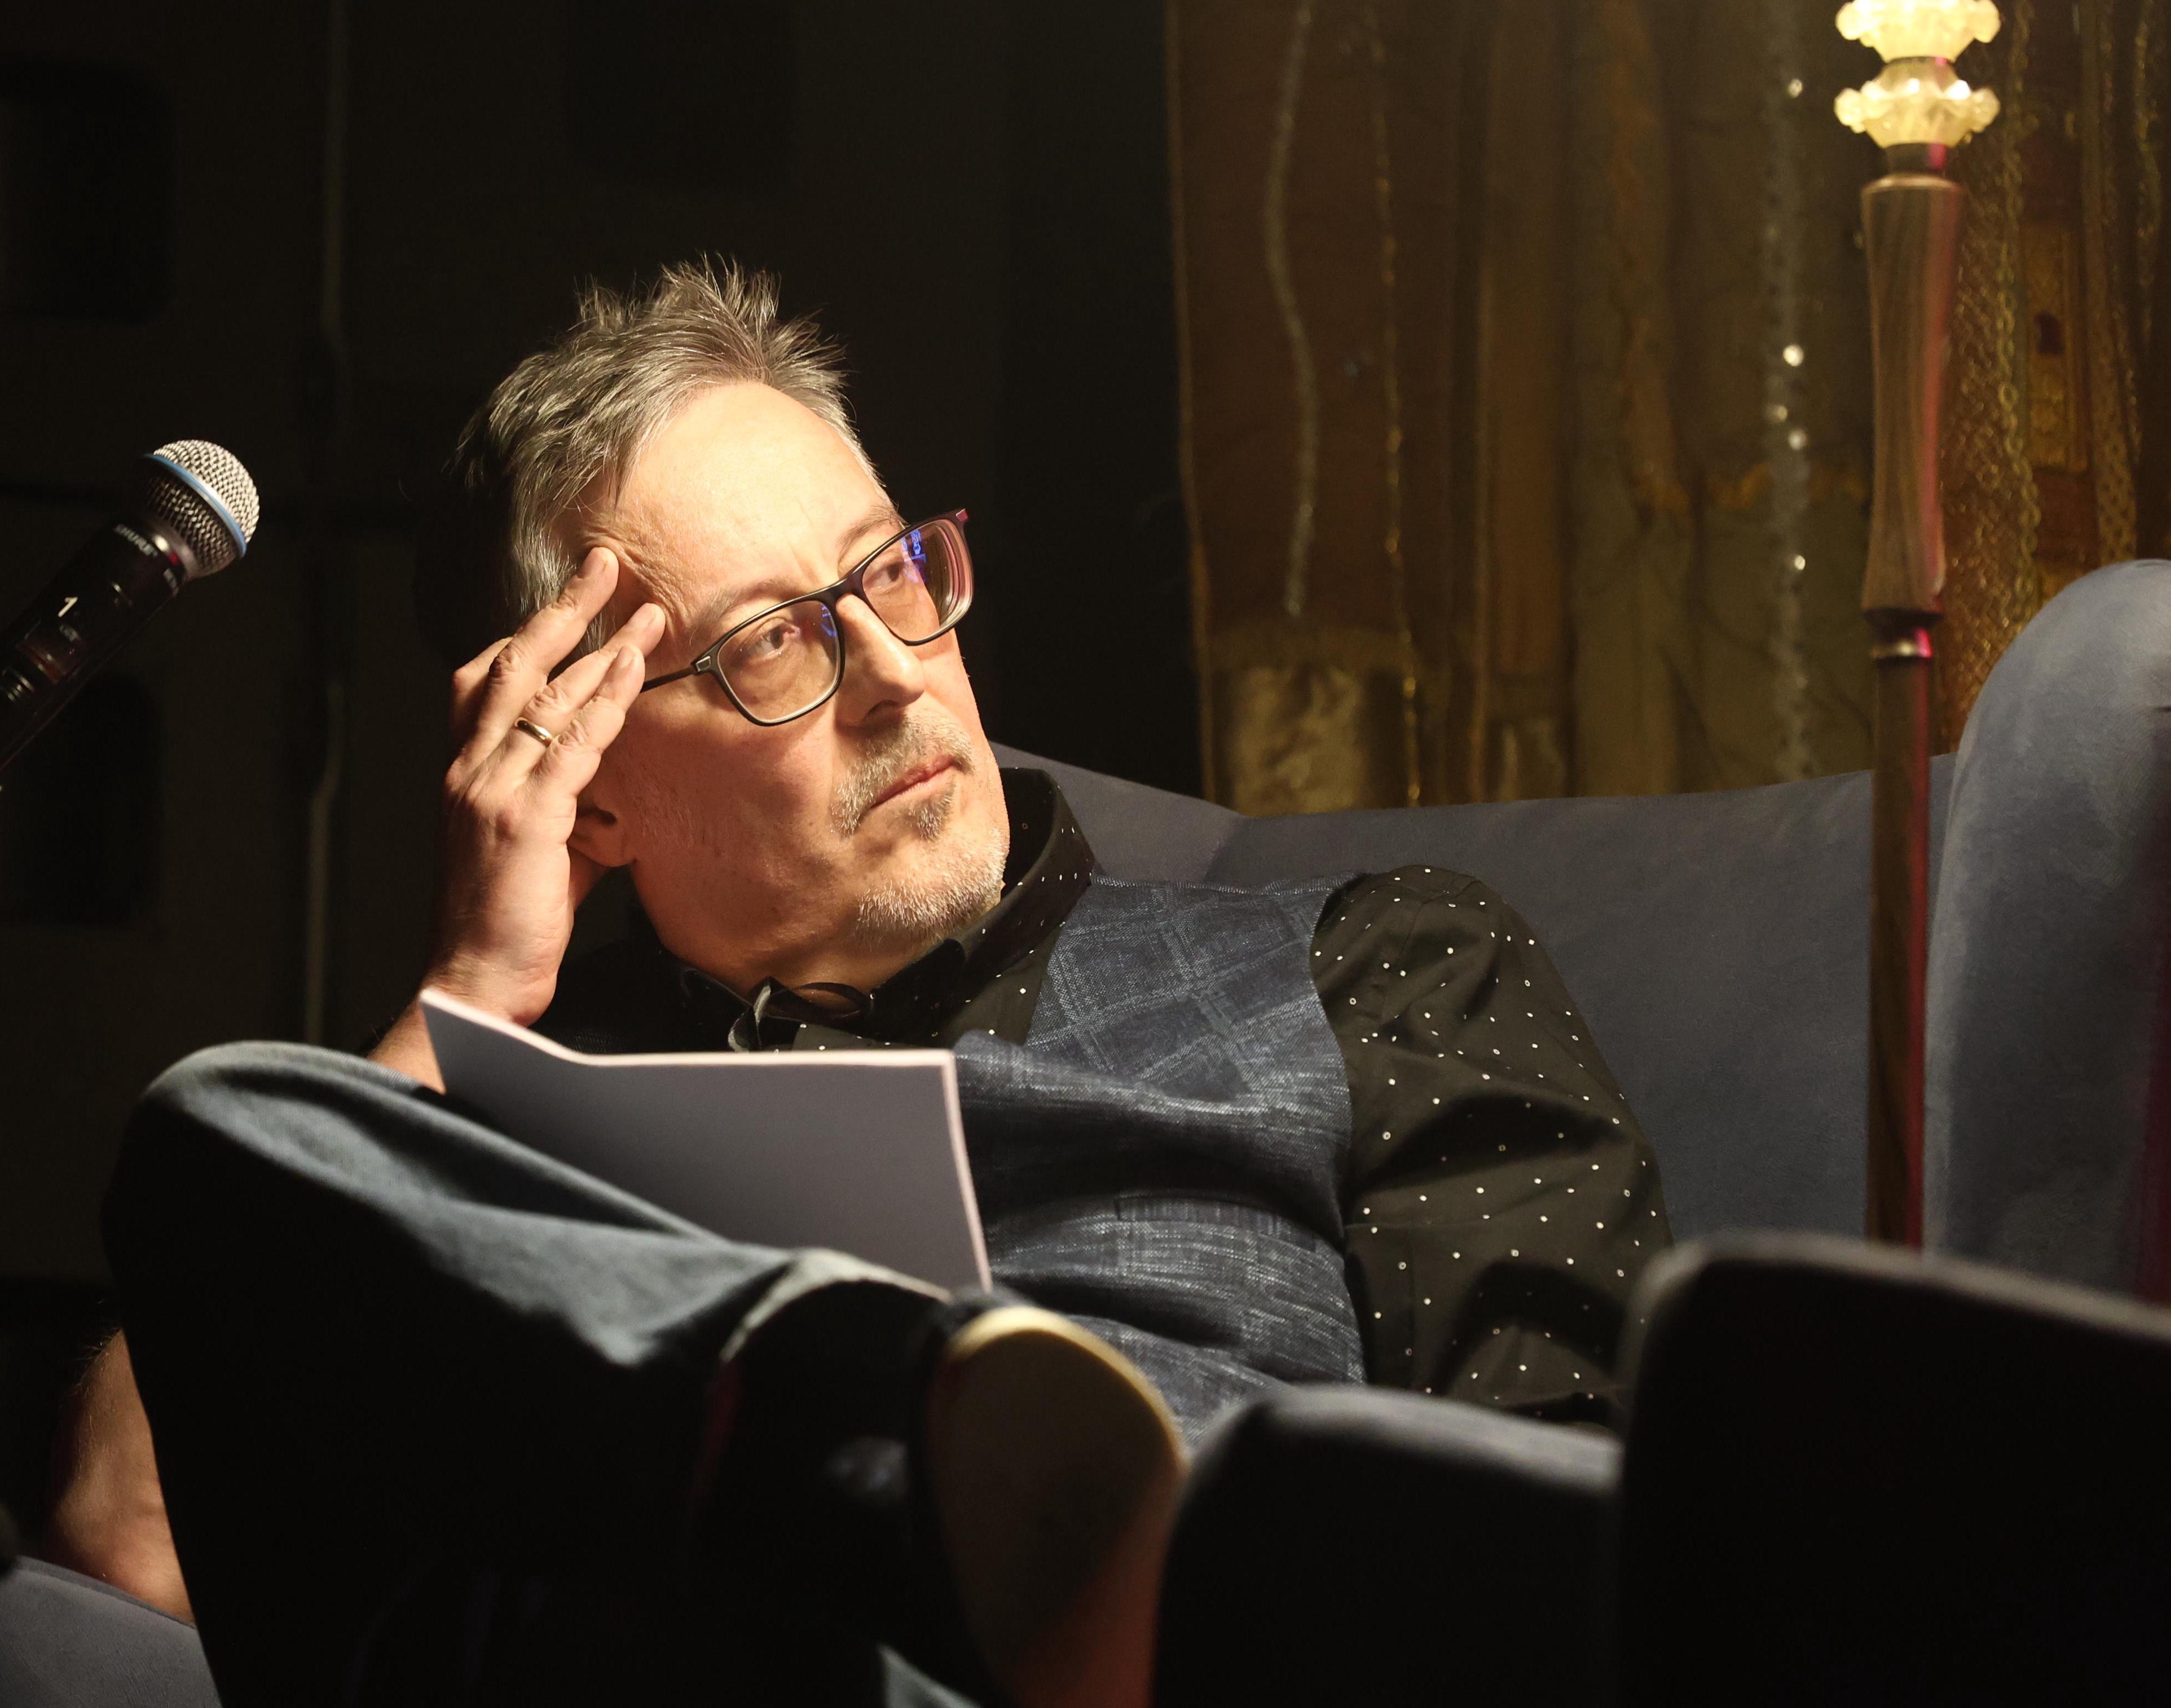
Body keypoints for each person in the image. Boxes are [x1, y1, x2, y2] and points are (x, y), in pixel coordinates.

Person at [94, 262, 1672, 1706]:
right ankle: (843, 1441)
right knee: (220, 1126)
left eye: (896, 572)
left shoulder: (1376, 966)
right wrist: (475, 988)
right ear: (592, 784)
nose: (899, 673)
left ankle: (933, 1499)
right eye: (775, 642)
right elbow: (137, 1541)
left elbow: (1581, 1561)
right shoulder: (515, 1103)